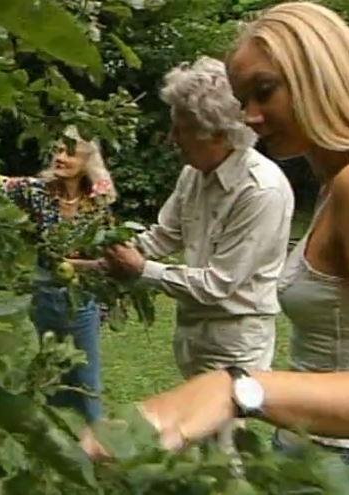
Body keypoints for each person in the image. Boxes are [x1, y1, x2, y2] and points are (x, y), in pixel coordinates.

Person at [118, 3, 349, 492]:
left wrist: (236, 386)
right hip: (312, 449)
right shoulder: (340, 181)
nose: (251, 118)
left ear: (324, 74)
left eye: (265, 91)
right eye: (242, 101)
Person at [104, 56, 294, 450]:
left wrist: (141, 270)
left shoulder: (261, 191)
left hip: (235, 340)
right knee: (202, 447)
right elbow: (163, 236)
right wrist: (107, 249)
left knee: (221, 451)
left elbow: (219, 285)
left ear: (220, 134)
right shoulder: (194, 173)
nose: (172, 138)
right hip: (194, 333)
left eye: (183, 128)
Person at [0, 127, 115, 432]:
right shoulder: (37, 191)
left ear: (87, 160)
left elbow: (108, 258)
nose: (60, 158)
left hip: (82, 301)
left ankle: (100, 446)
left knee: (86, 378)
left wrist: (74, 264)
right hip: (44, 298)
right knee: (47, 373)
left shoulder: (98, 200)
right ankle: (48, 439)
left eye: (69, 152)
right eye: (58, 151)